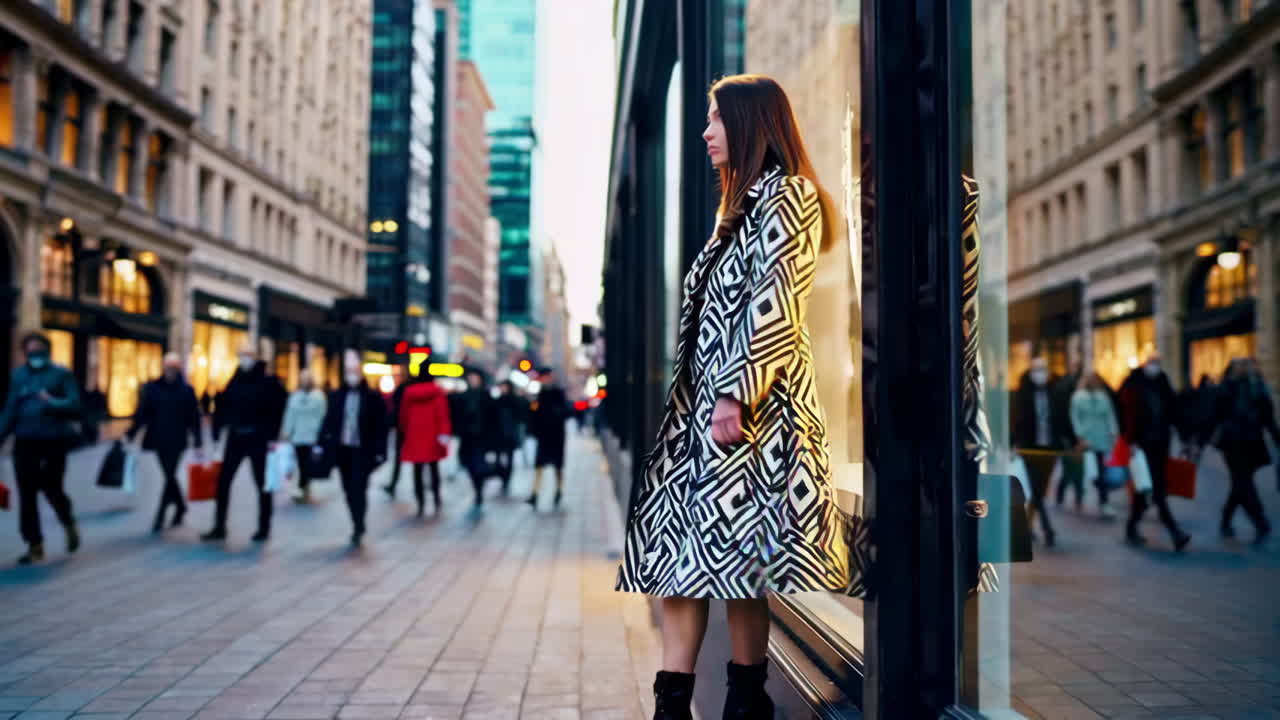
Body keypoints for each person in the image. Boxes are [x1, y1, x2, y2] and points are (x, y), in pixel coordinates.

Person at [616, 74, 856, 718]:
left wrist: (736, 394)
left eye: (716, 119)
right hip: (708, 422)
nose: (705, 132)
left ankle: (739, 700)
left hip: (751, 418)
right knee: (700, 564)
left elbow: (777, 299)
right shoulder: (741, 209)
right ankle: (695, 703)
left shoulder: (790, 197)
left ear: (750, 124)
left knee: (721, 564)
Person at [0, 332, 82, 564]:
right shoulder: (18, 376)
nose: (34, 354)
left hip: (54, 440)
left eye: (39, 350)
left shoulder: (61, 374)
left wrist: (52, 402)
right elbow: (10, 410)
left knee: (52, 487)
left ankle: (67, 521)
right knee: (27, 493)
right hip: (25, 440)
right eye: (30, 350)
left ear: (47, 351)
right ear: (25, 352)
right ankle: (34, 544)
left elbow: (75, 404)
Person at [202, 345, 288, 543]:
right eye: (241, 356)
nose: (243, 359)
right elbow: (224, 407)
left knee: (262, 484)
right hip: (236, 438)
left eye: (247, 356)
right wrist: (217, 429)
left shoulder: (268, 381)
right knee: (223, 482)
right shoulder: (235, 379)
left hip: (257, 439)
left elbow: (279, 407)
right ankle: (219, 526)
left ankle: (264, 527)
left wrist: (271, 435)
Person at [1118, 352, 1191, 551]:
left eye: (1157, 363)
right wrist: (1130, 441)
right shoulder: (1133, 384)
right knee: (1157, 489)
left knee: (1144, 489)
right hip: (1141, 445)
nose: (1154, 366)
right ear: (1144, 364)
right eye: (1152, 363)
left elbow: (1174, 411)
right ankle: (1175, 532)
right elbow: (1125, 415)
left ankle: (1131, 527)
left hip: (1160, 443)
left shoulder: (1163, 383)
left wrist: (1184, 437)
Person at [1203, 358, 1280, 544]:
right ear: (1231, 370)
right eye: (1239, 367)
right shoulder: (1225, 389)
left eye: (1245, 366)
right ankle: (1260, 520)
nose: (1243, 369)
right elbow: (1214, 416)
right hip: (1232, 443)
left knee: (1240, 483)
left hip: (1252, 443)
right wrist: (1199, 440)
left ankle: (1226, 518)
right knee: (1243, 481)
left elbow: (1268, 418)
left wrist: (1277, 439)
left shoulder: (1257, 388)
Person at [127, 353, 204, 533]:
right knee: (168, 474)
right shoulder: (152, 388)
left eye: (174, 368)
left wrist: (198, 441)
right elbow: (142, 413)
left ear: (178, 370)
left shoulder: (187, 391)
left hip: (177, 440)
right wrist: (131, 433)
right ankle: (180, 505)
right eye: (168, 367)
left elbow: (194, 417)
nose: (170, 371)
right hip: (158, 439)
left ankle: (160, 515)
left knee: (169, 475)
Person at [318, 357, 389, 545]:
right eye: (349, 372)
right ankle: (356, 519)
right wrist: (320, 443)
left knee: (359, 487)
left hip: (362, 451)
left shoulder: (372, 397)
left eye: (355, 372)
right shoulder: (336, 396)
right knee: (348, 489)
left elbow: (381, 425)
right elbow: (329, 421)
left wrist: (380, 450)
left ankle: (359, 524)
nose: (352, 376)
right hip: (342, 451)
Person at [1011, 356, 1063, 546]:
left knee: (1040, 489)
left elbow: (1061, 418)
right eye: (1037, 369)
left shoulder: (1054, 392)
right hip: (1029, 448)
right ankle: (1047, 528)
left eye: (1044, 369)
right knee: (1035, 487)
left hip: (1049, 448)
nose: (1041, 373)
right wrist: (1014, 443)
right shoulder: (1022, 394)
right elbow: (1016, 420)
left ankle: (1028, 525)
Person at [397, 372, 451, 515]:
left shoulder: (409, 393)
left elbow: (403, 415)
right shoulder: (437, 391)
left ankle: (420, 502)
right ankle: (436, 497)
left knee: (417, 470)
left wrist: (405, 431)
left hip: (415, 435)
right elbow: (442, 414)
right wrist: (444, 433)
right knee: (434, 469)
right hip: (433, 435)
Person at [1070, 371, 1120, 519]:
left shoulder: (1103, 397)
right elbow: (1075, 417)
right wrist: (1079, 436)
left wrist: (1113, 432)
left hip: (1101, 439)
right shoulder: (1078, 397)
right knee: (1084, 470)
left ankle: (1103, 501)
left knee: (1101, 471)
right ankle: (1079, 493)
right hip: (1086, 439)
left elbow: (1110, 416)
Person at [281, 370, 327, 504]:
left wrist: (323, 435)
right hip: (298, 437)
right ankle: (303, 488)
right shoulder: (295, 397)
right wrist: (286, 432)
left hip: (313, 437)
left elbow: (323, 416)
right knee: (301, 464)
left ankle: (303, 488)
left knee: (307, 464)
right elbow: (290, 416)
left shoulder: (319, 397)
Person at [527, 368, 570, 509]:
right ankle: (534, 493)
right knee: (539, 465)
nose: (545, 380)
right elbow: (534, 414)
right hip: (544, 436)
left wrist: (555, 415)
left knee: (558, 466)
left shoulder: (558, 393)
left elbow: (566, 411)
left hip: (556, 435)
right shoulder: (539, 394)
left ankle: (559, 490)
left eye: (547, 377)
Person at [451, 370, 493, 506]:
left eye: (475, 378)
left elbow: (492, 417)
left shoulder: (485, 396)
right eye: (471, 378)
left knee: (478, 465)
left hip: (481, 437)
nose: (473, 380)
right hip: (467, 437)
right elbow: (456, 415)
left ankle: (479, 490)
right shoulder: (463, 397)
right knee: (469, 464)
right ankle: (477, 488)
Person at [491, 380, 528, 494]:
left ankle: (507, 478)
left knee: (509, 458)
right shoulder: (497, 401)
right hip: (498, 434)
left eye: (505, 387)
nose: (503, 389)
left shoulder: (515, 401)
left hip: (510, 435)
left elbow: (523, 414)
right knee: (498, 458)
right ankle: (501, 474)